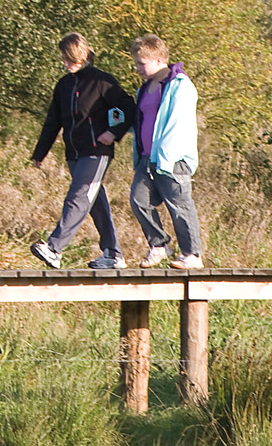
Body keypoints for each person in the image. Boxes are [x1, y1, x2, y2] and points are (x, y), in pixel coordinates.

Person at [30, 33, 135, 269]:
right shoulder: (64, 85)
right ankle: (113, 254)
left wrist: (113, 132)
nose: (66, 64)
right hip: (74, 153)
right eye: (64, 59)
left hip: (97, 151)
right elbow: (52, 121)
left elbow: (129, 108)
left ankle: (54, 248)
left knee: (78, 197)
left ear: (82, 55)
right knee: (95, 202)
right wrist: (40, 153)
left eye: (70, 59)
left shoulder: (102, 81)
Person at [128, 34, 204, 270]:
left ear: (159, 58)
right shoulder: (145, 89)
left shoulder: (180, 85)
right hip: (146, 158)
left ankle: (192, 254)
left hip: (172, 160)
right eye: (136, 63)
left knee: (179, 205)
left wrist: (166, 158)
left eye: (142, 63)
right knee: (138, 200)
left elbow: (177, 125)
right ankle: (159, 244)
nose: (138, 68)